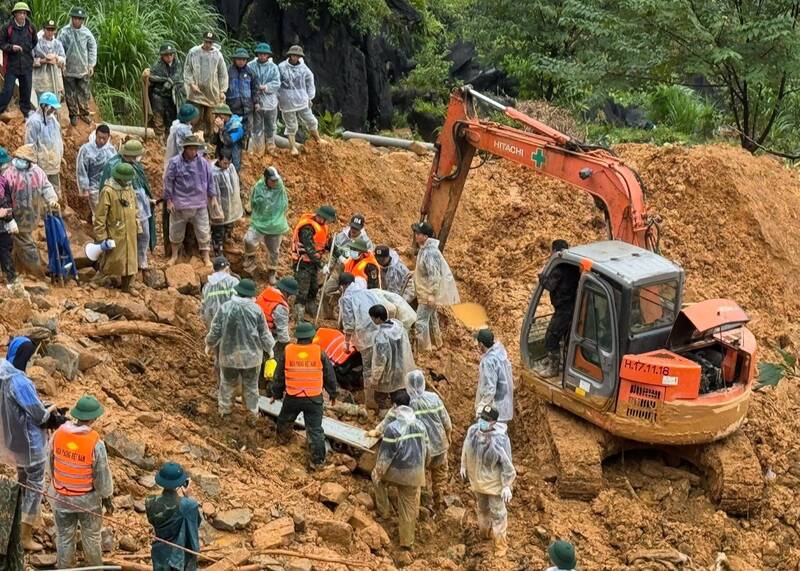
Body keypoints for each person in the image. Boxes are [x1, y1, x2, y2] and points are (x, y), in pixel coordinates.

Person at [0, 337, 64, 551]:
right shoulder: (21, 382)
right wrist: (54, 415)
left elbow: (19, 406)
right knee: (34, 485)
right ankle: (24, 536)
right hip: (31, 443)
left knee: (22, 480)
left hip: (13, 439)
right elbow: (38, 416)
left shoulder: (3, 372)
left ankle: (15, 523)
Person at [48, 395, 114, 569]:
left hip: (61, 497)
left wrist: (58, 483)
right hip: (87, 500)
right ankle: (94, 568)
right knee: (91, 537)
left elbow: (51, 462)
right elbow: (102, 475)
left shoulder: (58, 434)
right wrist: (107, 498)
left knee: (64, 537)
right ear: (94, 418)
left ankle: (64, 567)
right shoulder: (95, 442)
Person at [270, 321, 337, 470]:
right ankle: (318, 462)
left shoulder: (288, 351)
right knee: (315, 430)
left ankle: (282, 443)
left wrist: (275, 393)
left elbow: (279, 375)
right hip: (313, 398)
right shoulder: (319, 352)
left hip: (293, 397)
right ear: (312, 337)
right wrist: (333, 393)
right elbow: (329, 375)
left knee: (284, 421)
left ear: (298, 337)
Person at [206, 279, 274, 424]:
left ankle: (225, 411)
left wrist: (209, 343)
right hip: (252, 357)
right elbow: (264, 333)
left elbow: (215, 330)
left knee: (227, 383)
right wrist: (270, 349)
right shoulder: (256, 310)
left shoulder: (225, 308)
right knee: (251, 386)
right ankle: (251, 413)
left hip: (229, 356)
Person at [372, 405, 429, 561]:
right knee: (408, 507)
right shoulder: (421, 426)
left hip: (396, 472)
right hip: (415, 473)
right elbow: (427, 448)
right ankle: (407, 542)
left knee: (377, 480)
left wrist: (378, 472)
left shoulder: (392, 429)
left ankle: (384, 512)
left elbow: (385, 456)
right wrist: (423, 467)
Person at [460, 405, 516, 558]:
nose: (482, 421)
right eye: (482, 417)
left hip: (493, 486)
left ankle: (500, 545)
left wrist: (506, 485)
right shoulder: (473, 431)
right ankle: (485, 534)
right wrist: (463, 465)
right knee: (482, 509)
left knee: (498, 514)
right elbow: (466, 448)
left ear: (493, 422)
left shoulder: (499, 440)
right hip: (477, 482)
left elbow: (507, 465)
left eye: (486, 419)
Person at [99, 140, 156, 273]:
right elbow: (107, 189)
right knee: (122, 240)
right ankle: (118, 268)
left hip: (140, 206)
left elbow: (141, 185)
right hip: (120, 207)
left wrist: (148, 199)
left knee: (144, 234)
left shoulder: (136, 165)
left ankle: (140, 261)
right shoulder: (113, 165)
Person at [163, 134, 217, 267]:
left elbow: (210, 181)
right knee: (175, 231)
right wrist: (169, 200)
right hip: (179, 204)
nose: (193, 152)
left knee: (203, 230)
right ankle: (174, 255)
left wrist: (213, 197)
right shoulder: (175, 162)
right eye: (191, 149)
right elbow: (168, 182)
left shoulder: (203, 163)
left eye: (195, 149)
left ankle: (205, 257)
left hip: (199, 203)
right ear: (185, 149)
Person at [4, 144, 58, 275]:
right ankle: (36, 273)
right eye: (19, 158)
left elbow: (46, 186)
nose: (21, 161)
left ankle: (18, 270)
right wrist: (8, 218)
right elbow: (4, 196)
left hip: (31, 213)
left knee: (19, 242)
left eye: (24, 160)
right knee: (26, 244)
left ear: (29, 162)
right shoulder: (9, 173)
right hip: (15, 215)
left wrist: (51, 198)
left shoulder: (37, 172)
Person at [535, 239, 580, 377]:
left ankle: (554, 368)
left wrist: (541, 275)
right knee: (565, 336)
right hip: (573, 307)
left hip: (564, 309)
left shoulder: (559, 267)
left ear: (554, 251)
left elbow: (549, 285)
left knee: (552, 336)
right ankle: (559, 361)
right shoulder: (573, 265)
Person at [413, 221, 459, 352]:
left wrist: (432, 294)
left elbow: (435, 275)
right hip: (425, 291)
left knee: (420, 321)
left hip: (427, 293)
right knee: (432, 318)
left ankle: (424, 350)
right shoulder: (424, 249)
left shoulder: (430, 252)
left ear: (425, 237)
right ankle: (437, 343)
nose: (416, 235)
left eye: (419, 233)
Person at [146, 462, 201, 571]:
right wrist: (187, 496)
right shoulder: (188, 505)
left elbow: (151, 521)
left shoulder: (149, 501)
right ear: (180, 483)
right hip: (179, 556)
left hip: (159, 552)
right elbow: (196, 523)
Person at [94, 162, 140, 292]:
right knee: (111, 258)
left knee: (130, 259)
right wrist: (101, 235)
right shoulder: (108, 191)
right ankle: (97, 281)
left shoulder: (129, 189)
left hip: (130, 231)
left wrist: (138, 226)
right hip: (115, 231)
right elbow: (100, 215)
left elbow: (135, 208)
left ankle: (128, 286)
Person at [338, 273, 382, 405]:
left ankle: (370, 400)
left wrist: (346, 342)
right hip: (379, 333)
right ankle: (382, 395)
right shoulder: (367, 292)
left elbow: (349, 323)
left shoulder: (347, 298)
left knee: (368, 368)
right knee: (380, 364)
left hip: (365, 337)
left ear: (343, 286)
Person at [320, 214, 372, 318]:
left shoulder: (366, 242)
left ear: (361, 229)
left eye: (356, 229)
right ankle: (328, 315)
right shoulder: (340, 237)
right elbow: (334, 254)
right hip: (339, 270)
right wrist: (328, 266)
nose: (353, 230)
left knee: (349, 296)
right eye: (352, 227)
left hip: (354, 272)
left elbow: (368, 259)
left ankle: (346, 319)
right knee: (325, 291)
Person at [277, 45, 325, 156]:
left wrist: (309, 97)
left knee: (311, 120)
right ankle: (293, 147)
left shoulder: (304, 69)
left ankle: (317, 139)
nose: (295, 57)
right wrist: (277, 96)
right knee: (291, 125)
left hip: (302, 100)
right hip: (286, 101)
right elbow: (276, 82)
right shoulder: (281, 67)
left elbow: (310, 82)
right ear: (290, 55)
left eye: (297, 56)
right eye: (293, 55)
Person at [244, 166, 288, 284]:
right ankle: (251, 262)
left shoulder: (279, 186)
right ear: (266, 179)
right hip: (260, 221)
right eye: (272, 180)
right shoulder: (258, 187)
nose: (274, 182)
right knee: (249, 240)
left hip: (275, 222)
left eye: (276, 180)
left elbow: (283, 203)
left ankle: (272, 272)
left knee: (274, 250)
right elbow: (253, 203)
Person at [291, 205, 336, 320]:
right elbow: (309, 249)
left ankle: (310, 305)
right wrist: (322, 265)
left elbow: (325, 244)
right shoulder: (307, 228)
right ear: (320, 216)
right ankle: (298, 315)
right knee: (302, 289)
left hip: (313, 264)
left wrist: (337, 252)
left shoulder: (322, 227)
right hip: (302, 263)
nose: (326, 222)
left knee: (313, 287)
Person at [368, 304, 415, 411]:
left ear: (378, 318)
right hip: (401, 367)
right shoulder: (398, 326)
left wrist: (375, 379)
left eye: (372, 318)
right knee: (398, 395)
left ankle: (384, 416)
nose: (372, 320)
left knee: (380, 397)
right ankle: (401, 413)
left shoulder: (381, 337)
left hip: (387, 372)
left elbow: (380, 361)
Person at [183, 31, 228, 140]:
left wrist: (222, 90)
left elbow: (223, 73)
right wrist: (191, 84)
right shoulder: (193, 52)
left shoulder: (217, 54)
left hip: (212, 92)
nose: (208, 44)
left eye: (210, 42)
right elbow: (187, 69)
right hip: (196, 92)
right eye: (206, 42)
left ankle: (210, 140)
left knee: (210, 118)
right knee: (195, 117)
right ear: (203, 41)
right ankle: (192, 139)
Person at [58, 7, 96, 126]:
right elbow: (59, 48)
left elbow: (92, 48)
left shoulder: (86, 33)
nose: (77, 21)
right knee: (70, 93)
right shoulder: (64, 32)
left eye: (80, 19)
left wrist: (91, 64)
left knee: (84, 92)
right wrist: (61, 64)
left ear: (83, 20)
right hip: (68, 68)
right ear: (72, 18)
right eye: (75, 18)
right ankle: (73, 115)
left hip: (83, 68)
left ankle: (84, 113)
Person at [0, 2, 36, 118]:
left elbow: (34, 42)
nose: (22, 16)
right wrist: (11, 48)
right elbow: (1, 43)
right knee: (7, 91)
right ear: (14, 14)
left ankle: (25, 113)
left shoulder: (30, 27)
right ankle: (1, 109)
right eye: (20, 13)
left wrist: (27, 52)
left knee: (26, 91)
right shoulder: (7, 27)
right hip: (11, 65)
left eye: (24, 13)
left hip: (26, 65)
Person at [25, 92, 63, 199]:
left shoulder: (53, 119)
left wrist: (60, 155)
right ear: (44, 106)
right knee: (42, 192)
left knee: (55, 192)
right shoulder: (34, 122)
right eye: (52, 108)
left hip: (54, 164)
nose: (53, 110)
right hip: (41, 165)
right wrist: (32, 164)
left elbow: (58, 139)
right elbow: (29, 144)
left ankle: (55, 213)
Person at [475, 328, 514, 424]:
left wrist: (481, 407)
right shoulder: (500, 352)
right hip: (505, 404)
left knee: (494, 435)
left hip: (495, 410)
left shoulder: (488, 361)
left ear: (481, 345)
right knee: (501, 435)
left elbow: (490, 388)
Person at [247, 42, 280, 155]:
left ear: (268, 55)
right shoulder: (251, 66)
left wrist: (265, 87)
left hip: (270, 101)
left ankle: (271, 146)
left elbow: (277, 83)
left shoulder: (273, 67)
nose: (262, 56)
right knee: (257, 126)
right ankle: (258, 148)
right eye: (260, 54)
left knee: (270, 125)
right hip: (256, 101)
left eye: (264, 54)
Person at [76, 124, 115, 215]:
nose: (101, 141)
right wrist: (85, 189)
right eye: (99, 137)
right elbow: (82, 170)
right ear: (96, 135)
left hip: (109, 186)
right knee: (99, 214)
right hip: (94, 188)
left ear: (108, 137)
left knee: (109, 213)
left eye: (104, 139)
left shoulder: (111, 149)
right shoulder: (86, 150)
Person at [256, 276, 297, 362]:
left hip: (253, 332)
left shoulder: (264, 294)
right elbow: (282, 332)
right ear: (286, 293)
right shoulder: (280, 306)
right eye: (290, 295)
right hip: (266, 337)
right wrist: (287, 346)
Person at [210, 149, 243, 257]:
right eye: (225, 163)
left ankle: (227, 243)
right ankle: (218, 252)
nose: (227, 165)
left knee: (229, 225)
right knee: (218, 229)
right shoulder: (213, 173)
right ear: (219, 160)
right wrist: (217, 209)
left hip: (230, 203)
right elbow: (213, 192)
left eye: (229, 163)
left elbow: (235, 184)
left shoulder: (230, 168)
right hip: (218, 204)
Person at [148, 42, 185, 135]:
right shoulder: (157, 65)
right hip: (159, 95)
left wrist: (170, 82)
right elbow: (152, 77)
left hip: (172, 96)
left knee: (171, 118)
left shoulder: (177, 63)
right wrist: (164, 80)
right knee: (158, 117)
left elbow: (178, 75)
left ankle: (170, 138)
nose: (169, 57)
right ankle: (159, 137)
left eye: (171, 54)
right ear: (162, 56)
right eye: (166, 55)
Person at [200, 256, 239, 328]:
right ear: (227, 268)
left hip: (213, 326)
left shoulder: (207, 286)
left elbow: (203, 307)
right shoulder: (233, 282)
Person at [32, 20, 65, 104]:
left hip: (55, 77)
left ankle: (53, 117)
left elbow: (63, 58)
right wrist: (44, 60)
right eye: (48, 29)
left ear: (55, 31)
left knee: (55, 103)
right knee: (42, 103)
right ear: (43, 29)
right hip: (41, 78)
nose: (50, 32)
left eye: (52, 30)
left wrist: (56, 58)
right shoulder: (36, 44)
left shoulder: (58, 44)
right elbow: (30, 61)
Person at [225, 47, 254, 140]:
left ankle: (245, 150)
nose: (241, 61)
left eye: (243, 59)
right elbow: (223, 87)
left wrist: (256, 102)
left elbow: (255, 88)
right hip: (231, 106)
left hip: (247, 107)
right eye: (239, 59)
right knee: (231, 129)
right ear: (235, 59)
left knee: (246, 130)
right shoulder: (228, 71)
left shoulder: (250, 72)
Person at [210, 103, 244, 172]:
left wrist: (222, 129)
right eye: (216, 115)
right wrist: (216, 132)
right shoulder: (222, 125)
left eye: (219, 115)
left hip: (232, 159)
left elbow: (229, 141)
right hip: (221, 158)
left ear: (226, 115)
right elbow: (214, 142)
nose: (217, 118)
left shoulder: (237, 127)